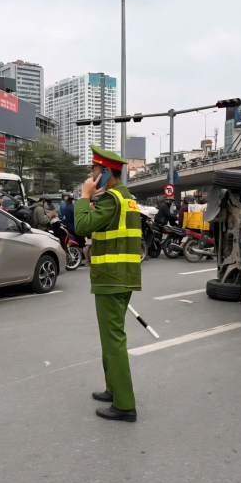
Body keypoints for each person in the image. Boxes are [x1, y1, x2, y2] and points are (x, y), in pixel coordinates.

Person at [74, 146, 141, 423]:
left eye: (94, 172)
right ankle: (113, 389)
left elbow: (81, 226)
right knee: (110, 337)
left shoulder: (112, 200)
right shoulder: (127, 199)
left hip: (111, 279)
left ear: (106, 174)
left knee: (113, 340)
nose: (91, 177)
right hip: (120, 277)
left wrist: (84, 197)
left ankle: (125, 405)